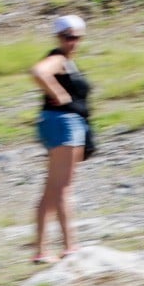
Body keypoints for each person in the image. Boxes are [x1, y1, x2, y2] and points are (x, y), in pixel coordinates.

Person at [29, 14, 92, 264]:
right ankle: (69, 247)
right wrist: (59, 93)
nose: (72, 42)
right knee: (63, 187)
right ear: (58, 37)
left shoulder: (66, 60)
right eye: (68, 37)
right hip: (63, 123)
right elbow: (38, 72)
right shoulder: (57, 58)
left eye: (76, 37)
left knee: (53, 187)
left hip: (57, 124)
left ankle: (44, 250)